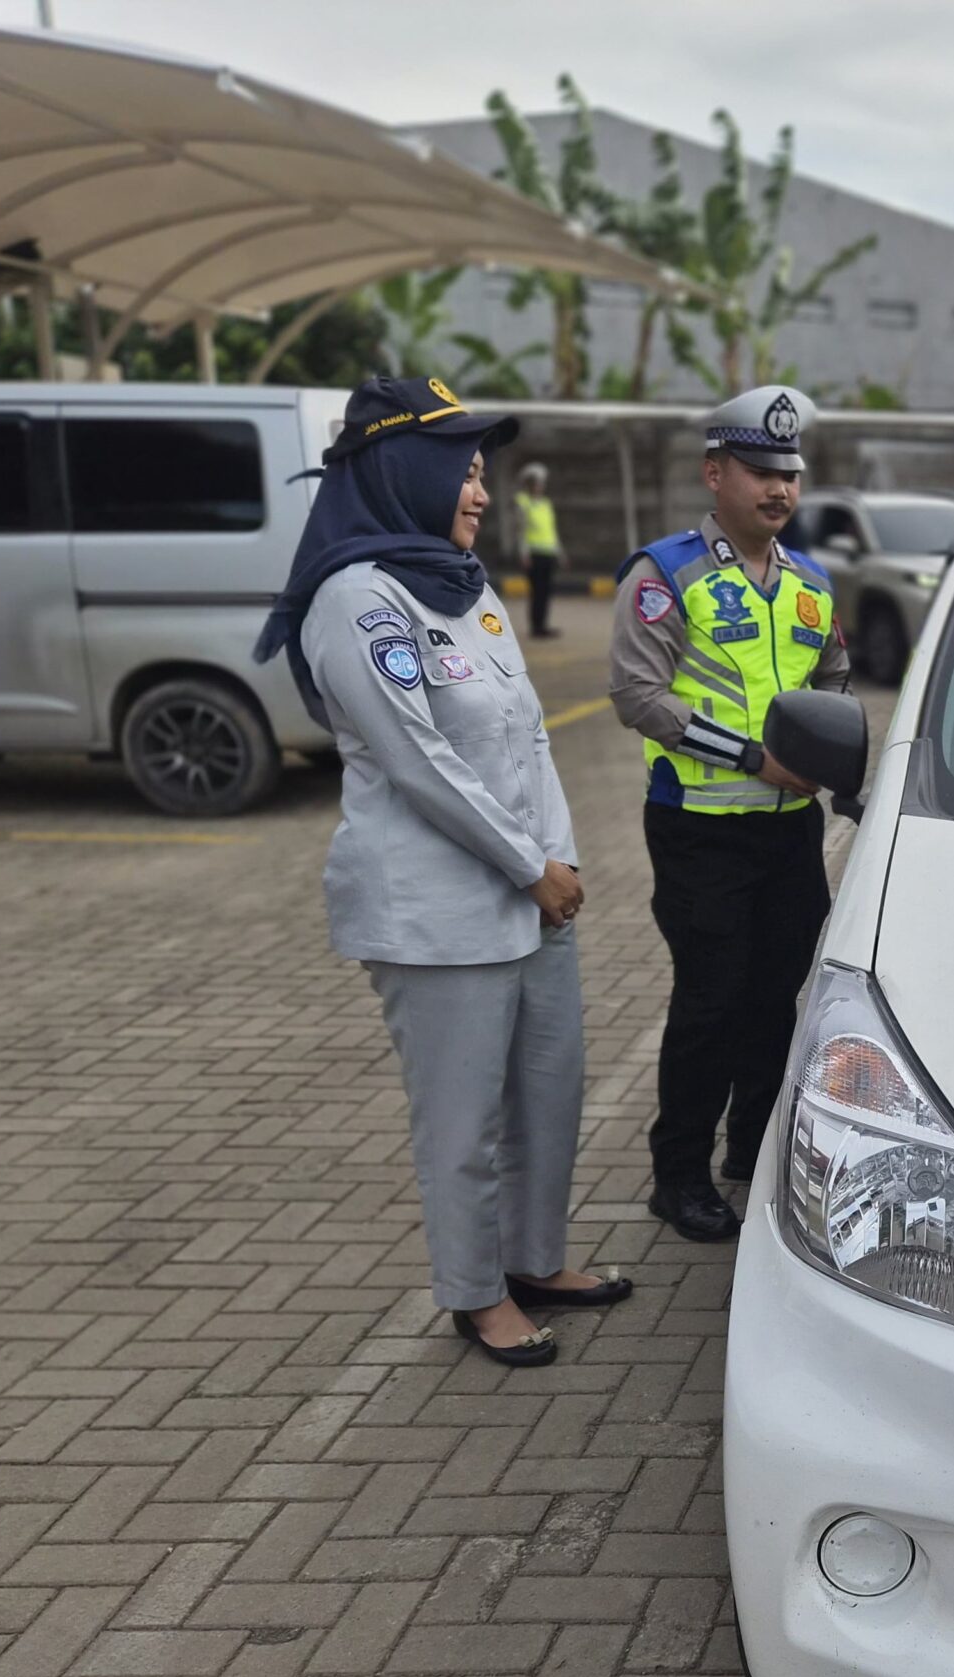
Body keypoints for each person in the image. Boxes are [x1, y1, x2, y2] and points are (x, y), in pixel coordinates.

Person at [255, 374, 628, 1367]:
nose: (479, 493)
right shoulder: (356, 602)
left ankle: (536, 1260)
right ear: (401, 472)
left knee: (549, 1092)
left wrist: (563, 860)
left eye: (480, 473)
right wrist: (529, 866)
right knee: (462, 1119)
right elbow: (421, 760)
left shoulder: (469, 592)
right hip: (436, 911)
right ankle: (475, 1294)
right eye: (460, 473)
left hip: (533, 898)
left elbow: (530, 736)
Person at [608, 384, 855, 1243]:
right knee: (710, 1001)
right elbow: (637, 696)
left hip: (789, 832)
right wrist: (755, 758)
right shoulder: (664, 574)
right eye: (758, 472)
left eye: (788, 473)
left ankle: (752, 1152)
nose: (779, 490)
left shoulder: (812, 584)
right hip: (699, 828)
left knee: (776, 999)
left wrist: (836, 759)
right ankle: (677, 1176)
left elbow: (832, 683)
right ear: (715, 473)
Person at [514, 462, 565, 640]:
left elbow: (552, 530)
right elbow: (520, 531)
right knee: (537, 591)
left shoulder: (546, 504)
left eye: (542, 483)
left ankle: (543, 625)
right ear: (529, 484)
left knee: (546, 591)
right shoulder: (523, 503)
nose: (540, 486)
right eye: (537, 483)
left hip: (548, 553)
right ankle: (536, 627)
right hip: (533, 555)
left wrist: (560, 553)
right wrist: (524, 554)